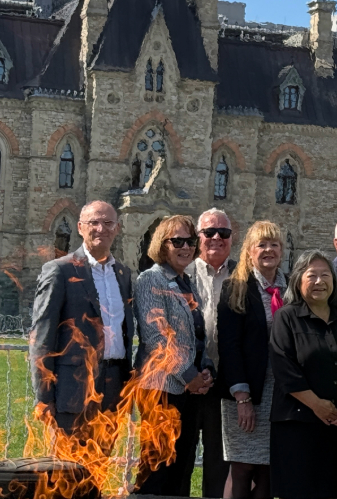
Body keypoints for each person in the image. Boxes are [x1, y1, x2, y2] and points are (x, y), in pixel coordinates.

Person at [30, 201, 135, 442]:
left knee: (101, 467)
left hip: (114, 387)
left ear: (117, 228)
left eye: (108, 223)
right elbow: (41, 337)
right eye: (94, 222)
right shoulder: (60, 270)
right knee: (68, 471)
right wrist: (44, 397)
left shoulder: (123, 274)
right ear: (80, 227)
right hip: (73, 390)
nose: (101, 228)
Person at [132, 214, 215, 497]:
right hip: (161, 390)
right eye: (176, 240)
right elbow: (157, 339)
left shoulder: (186, 282)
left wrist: (205, 370)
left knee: (183, 468)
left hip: (189, 392)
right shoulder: (150, 279)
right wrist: (189, 376)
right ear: (162, 244)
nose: (185, 247)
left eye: (190, 241)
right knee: (157, 468)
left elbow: (197, 335)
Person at [270, 250, 337, 499]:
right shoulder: (286, 317)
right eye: (312, 276)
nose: (319, 282)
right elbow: (284, 367)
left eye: (325, 275)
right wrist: (317, 405)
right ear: (298, 280)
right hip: (299, 426)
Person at [219, 221, 286, 499]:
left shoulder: (291, 287)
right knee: (243, 465)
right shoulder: (235, 288)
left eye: (274, 244)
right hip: (245, 392)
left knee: (269, 469)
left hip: (280, 393)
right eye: (262, 244)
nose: (268, 250)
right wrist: (243, 397)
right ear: (249, 251)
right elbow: (229, 347)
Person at [190, 208, 236, 498]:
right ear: (198, 237)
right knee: (178, 459)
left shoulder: (244, 276)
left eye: (224, 233)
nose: (217, 237)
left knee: (220, 463)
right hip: (187, 381)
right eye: (209, 232)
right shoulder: (182, 274)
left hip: (226, 383)